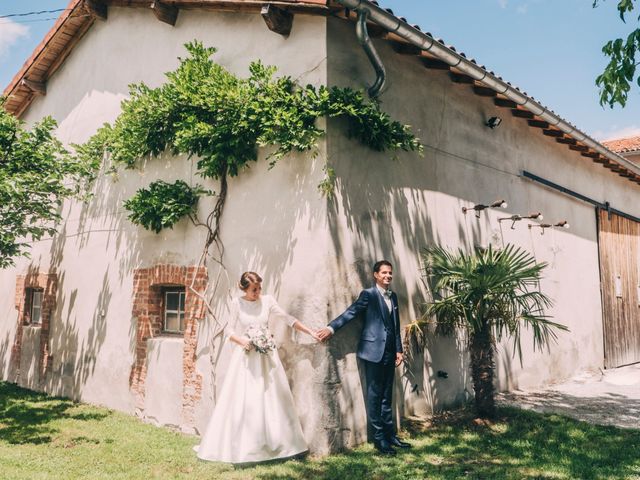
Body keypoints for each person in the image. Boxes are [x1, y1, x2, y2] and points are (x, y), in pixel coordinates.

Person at [195, 271, 320, 464]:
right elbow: (228, 329)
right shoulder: (237, 303)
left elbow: (287, 318)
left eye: (259, 288)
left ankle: (283, 444)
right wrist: (242, 341)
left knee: (272, 396)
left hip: (267, 357)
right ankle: (245, 447)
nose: (258, 292)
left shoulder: (268, 301)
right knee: (246, 399)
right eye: (254, 289)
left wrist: (310, 331)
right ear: (244, 289)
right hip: (246, 358)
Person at [317, 260, 411, 455]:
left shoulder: (392, 297)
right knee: (375, 396)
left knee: (387, 396)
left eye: (390, 273)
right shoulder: (368, 295)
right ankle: (379, 440)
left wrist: (399, 350)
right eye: (384, 273)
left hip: (389, 352)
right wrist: (331, 327)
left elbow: (395, 326)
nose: (388, 276)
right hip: (373, 352)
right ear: (376, 275)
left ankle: (390, 435)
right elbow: (351, 312)